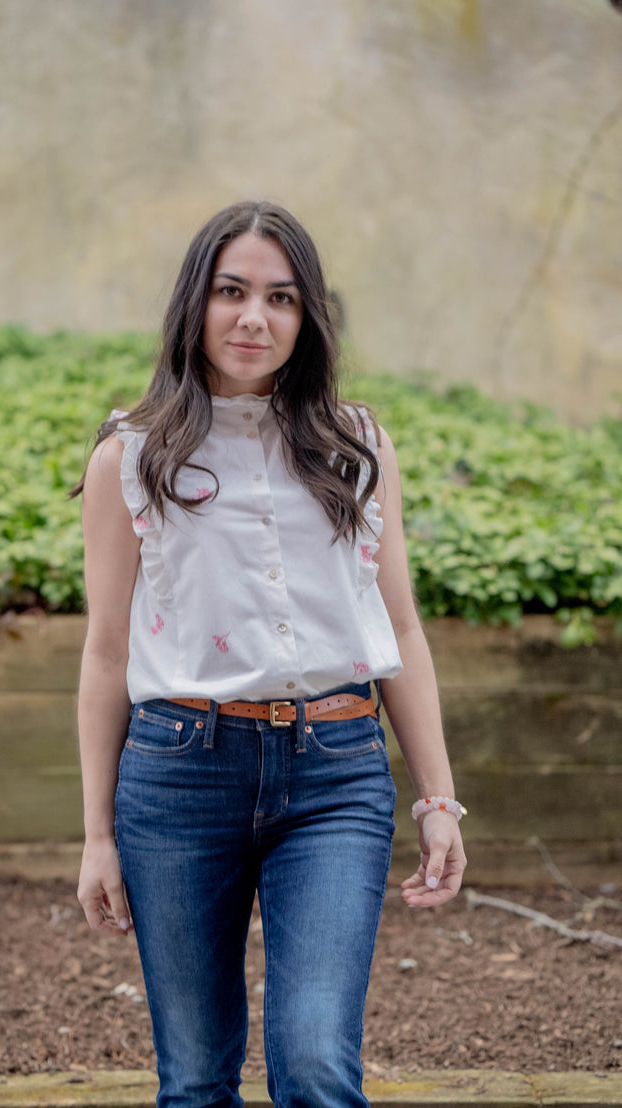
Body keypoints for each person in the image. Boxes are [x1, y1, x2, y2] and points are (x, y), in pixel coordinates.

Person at [74, 200, 467, 1108]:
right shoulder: (131, 458)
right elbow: (104, 656)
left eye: (282, 297)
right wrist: (97, 835)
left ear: (308, 316)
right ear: (194, 305)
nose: (255, 317)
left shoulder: (358, 446)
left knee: (318, 1065)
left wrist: (438, 798)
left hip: (335, 775)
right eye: (232, 291)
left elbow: (399, 629)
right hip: (178, 779)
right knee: (197, 1079)